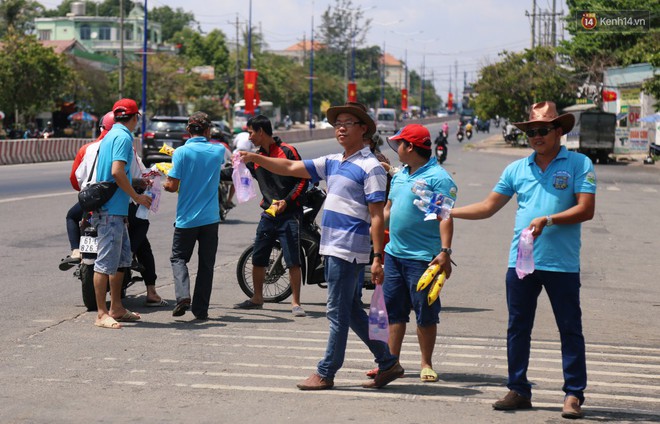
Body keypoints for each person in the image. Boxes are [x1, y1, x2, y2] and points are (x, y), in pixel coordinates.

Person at [239, 101, 402, 391]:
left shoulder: (371, 167)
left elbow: (377, 216)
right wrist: (256, 158)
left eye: (348, 123)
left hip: (347, 247)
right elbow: (290, 166)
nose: (340, 128)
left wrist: (377, 257)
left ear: (363, 128)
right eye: (337, 123)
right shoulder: (334, 162)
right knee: (350, 310)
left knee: (336, 313)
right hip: (333, 246)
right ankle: (387, 362)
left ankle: (326, 373)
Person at [449, 101, 596, 419]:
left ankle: (573, 394)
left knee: (570, 328)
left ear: (559, 131)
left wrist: (549, 220)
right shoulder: (516, 169)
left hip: (561, 264)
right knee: (518, 327)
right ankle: (518, 389)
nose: (536, 136)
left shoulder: (579, 164)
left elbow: (586, 209)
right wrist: (448, 212)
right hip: (522, 261)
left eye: (543, 130)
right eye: (531, 131)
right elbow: (488, 207)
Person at [370, 124, 457, 383]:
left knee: (425, 313)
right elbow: (388, 209)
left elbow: (445, 217)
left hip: (423, 258)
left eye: (400, 144)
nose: (396, 149)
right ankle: (391, 363)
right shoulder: (400, 175)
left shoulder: (438, 178)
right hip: (394, 255)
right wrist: (373, 234)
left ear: (410, 146)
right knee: (395, 312)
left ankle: (426, 363)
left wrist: (444, 251)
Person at [233, 114, 309, 316]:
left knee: (293, 259)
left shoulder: (288, 151)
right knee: (259, 257)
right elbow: (235, 174)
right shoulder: (255, 158)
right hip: (268, 214)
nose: (249, 137)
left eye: (250, 132)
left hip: (290, 214)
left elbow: (303, 179)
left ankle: (296, 303)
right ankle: (257, 298)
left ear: (260, 131)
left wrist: (288, 201)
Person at [92, 98, 152, 329]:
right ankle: (101, 313)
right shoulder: (123, 138)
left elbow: (115, 173)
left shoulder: (110, 135)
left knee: (121, 261)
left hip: (116, 209)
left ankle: (116, 307)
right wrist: (136, 197)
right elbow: (117, 172)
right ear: (135, 117)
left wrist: (137, 183)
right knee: (105, 262)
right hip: (110, 211)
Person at [163, 112, 225, 321]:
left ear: (188, 130)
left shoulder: (180, 152)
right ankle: (201, 310)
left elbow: (172, 186)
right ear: (208, 131)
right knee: (206, 265)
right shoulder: (218, 151)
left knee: (178, 258)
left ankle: (182, 296)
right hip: (210, 219)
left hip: (186, 219)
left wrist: (164, 182)